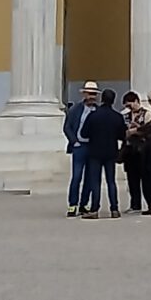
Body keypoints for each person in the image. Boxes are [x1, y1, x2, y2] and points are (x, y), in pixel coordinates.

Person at [77, 89, 129, 217]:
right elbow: (122, 135)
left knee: (96, 181)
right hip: (111, 151)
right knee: (111, 181)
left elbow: (83, 133)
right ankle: (114, 208)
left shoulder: (93, 115)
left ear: (102, 99)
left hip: (95, 152)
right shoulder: (117, 117)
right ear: (113, 100)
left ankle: (94, 209)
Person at [62, 82, 100, 216]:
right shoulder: (75, 110)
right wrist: (74, 141)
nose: (92, 97)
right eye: (89, 94)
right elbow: (67, 127)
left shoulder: (98, 110)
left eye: (94, 94)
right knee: (76, 176)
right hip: (79, 146)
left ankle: (84, 204)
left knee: (90, 177)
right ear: (84, 94)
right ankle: (72, 204)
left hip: (92, 146)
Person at [119, 92, 150, 214]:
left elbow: (149, 130)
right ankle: (135, 204)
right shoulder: (125, 116)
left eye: (130, 104)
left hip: (142, 150)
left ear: (137, 101)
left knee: (145, 179)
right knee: (132, 179)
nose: (129, 107)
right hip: (129, 150)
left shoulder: (146, 114)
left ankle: (150, 203)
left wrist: (137, 128)